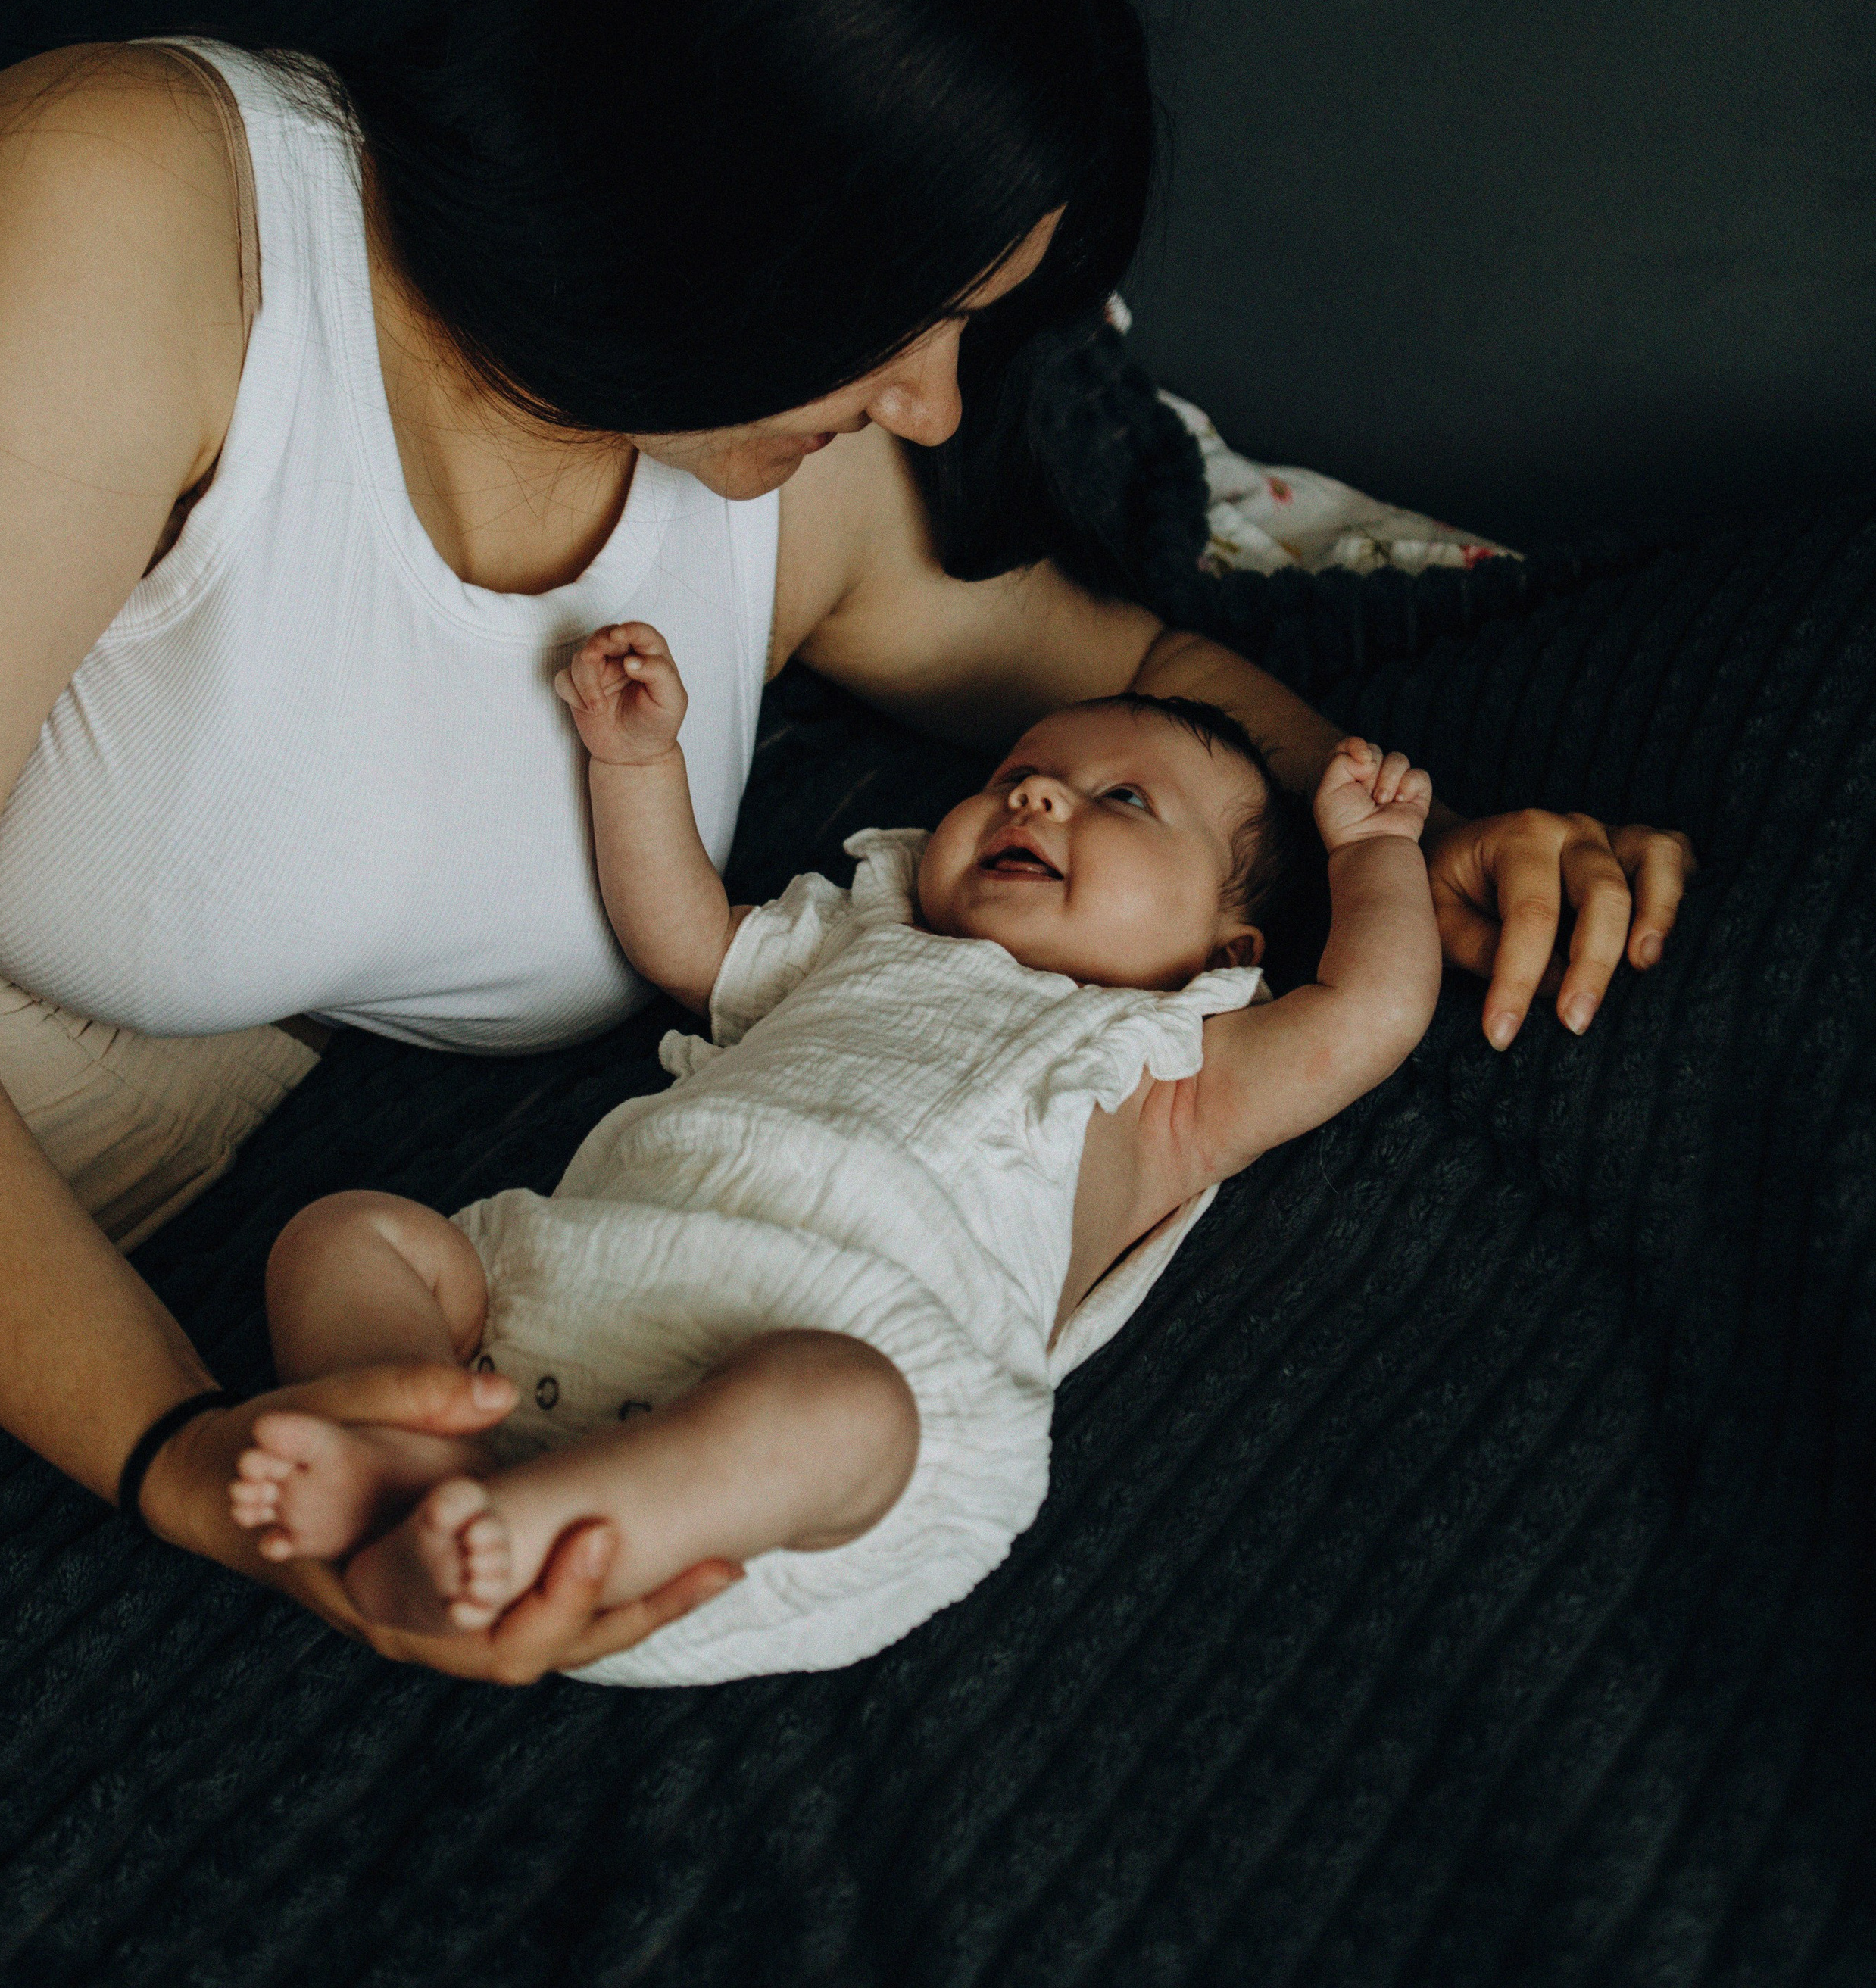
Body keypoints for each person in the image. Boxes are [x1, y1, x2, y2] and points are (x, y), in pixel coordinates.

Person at [0, 0, 1693, 1687]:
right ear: (702, 199)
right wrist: (173, 1451)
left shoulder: (794, 481)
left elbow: (1135, 668)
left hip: (188, 1151)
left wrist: (1421, 831)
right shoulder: (134, 215)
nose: (937, 405)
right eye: (907, 320)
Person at [227, 623, 1435, 1681]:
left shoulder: (1172, 1069)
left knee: (847, 1412)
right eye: (1020, 775)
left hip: (834, 1375)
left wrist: (1377, 856)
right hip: (582, 1283)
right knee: (348, 1234)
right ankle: (400, 1455)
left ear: (1225, 956)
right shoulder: (860, 934)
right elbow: (685, 937)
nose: (1036, 801)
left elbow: (1367, 1015)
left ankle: (546, 1525)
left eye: (1124, 801)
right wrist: (638, 763)